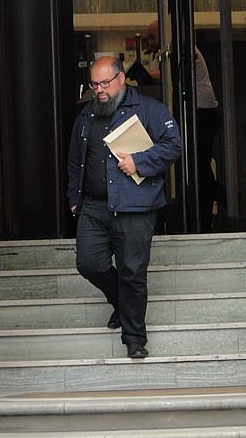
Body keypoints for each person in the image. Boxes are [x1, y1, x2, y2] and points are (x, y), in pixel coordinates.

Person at [67, 56, 182, 358]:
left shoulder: (149, 109)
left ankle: (135, 339)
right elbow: (76, 159)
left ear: (121, 79)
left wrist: (139, 162)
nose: (100, 90)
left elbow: (173, 145)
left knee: (132, 272)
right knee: (88, 263)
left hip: (136, 206)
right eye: (95, 84)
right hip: (93, 206)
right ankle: (120, 302)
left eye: (105, 83)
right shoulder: (86, 115)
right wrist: (73, 197)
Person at [146, 20, 222, 232]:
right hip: (200, 112)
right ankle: (211, 200)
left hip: (201, 113)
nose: (151, 43)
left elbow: (178, 78)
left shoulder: (182, 50)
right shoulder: (180, 51)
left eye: (152, 37)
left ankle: (215, 197)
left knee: (198, 164)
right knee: (199, 164)